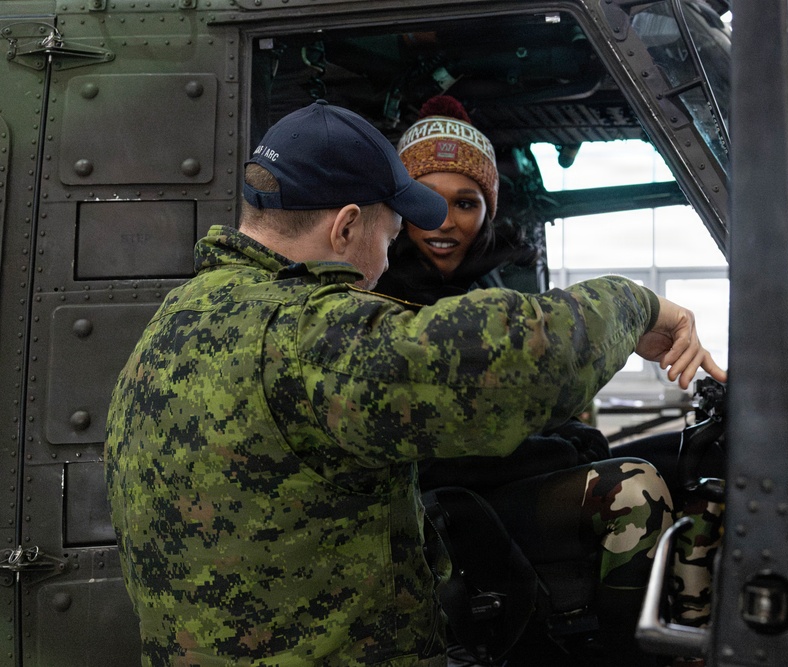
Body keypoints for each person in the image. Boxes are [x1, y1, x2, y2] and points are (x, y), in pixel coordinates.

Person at [105, 99, 726, 667]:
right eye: (390, 236)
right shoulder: (307, 335)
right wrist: (638, 305)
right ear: (346, 227)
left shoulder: (176, 321)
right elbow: (523, 362)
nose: (385, 261)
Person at [377, 95, 724, 633]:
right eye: (425, 201)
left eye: (466, 203)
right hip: (438, 508)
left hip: (498, 491)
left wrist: (568, 437)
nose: (444, 221)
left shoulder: (495, 287)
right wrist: (556, 450)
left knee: (701, 468)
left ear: (489, 209)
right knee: (634, 489)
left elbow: (527, 402)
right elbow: (445, 450)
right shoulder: (379, 300)